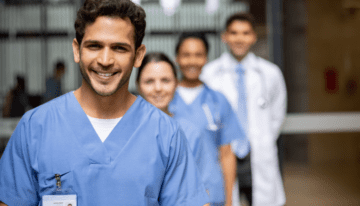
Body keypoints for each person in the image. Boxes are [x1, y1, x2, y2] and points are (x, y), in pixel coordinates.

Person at [0, 1, 210, 205]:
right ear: (76, 50)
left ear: (138, 56)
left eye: (119, 48)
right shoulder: (35, 127)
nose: (105, 60)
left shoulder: (166, 133)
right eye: (94, 46)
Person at [200, 13, 287, 206]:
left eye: (245, 33)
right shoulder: (209, 74)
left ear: (254, 37)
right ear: (225, 36)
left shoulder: (270, 73)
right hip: (223, 154)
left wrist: (260, 139)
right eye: (234, 33)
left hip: (258, 154)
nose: (239, 38)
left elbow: (277, 116)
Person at [169, 32, 249, 206]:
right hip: (173, 194)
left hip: (211, 193)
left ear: (206, 58)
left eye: (198, 55)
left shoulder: (218, 100)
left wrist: (229, 201)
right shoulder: (165, 99)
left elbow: (227, 154)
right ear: (177, 58)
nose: (192, 61)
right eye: (186, 55)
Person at [136, 52, 213, 203]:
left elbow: (202, 191)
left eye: (165, 80)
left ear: (176, 84)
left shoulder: (190, 132)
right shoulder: (126, 130)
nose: (158, 88)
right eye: (149, 81)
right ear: (138, 85)